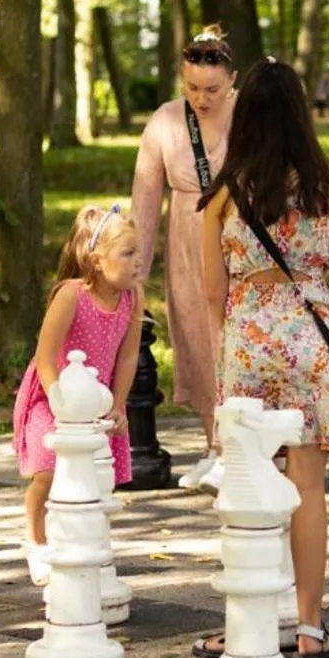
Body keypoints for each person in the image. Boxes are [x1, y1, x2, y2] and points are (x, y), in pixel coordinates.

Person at [196, 58, 329, 658]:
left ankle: (247, 624)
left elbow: (212, 295)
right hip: (309, 346)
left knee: (247, 485)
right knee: (308, 489)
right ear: (300, 115)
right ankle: (311, 627)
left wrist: (226, 357)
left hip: (246, 343)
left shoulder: (223, 196)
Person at [132, 27, 238, 492]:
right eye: (192, 87)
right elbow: (144, 200)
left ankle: (240, 449)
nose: (201, 97)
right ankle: (213, 445)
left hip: (240, 239)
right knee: (196, 339)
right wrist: (135, 271)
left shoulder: (250, 116)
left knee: (236, 340)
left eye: (212, 89)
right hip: (187, 242)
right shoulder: (165, 121)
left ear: (232, 80)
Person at [12, 204, 144, 566]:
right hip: (51, 394)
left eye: (138, 253)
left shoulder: (133, 296)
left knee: (95, 479)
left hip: (97, 401)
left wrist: (118, 405)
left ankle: (80, 544)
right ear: (97, 260)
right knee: (48, 471)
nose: (138, 262)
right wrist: (60, 400)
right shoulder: (71, 294)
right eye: (128, 253)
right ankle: (36, 544)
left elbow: (128, 356)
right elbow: (44, 357)